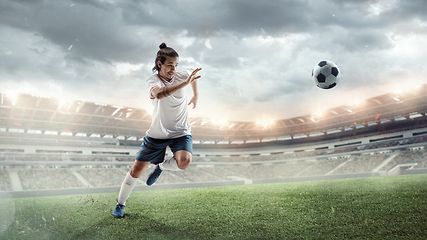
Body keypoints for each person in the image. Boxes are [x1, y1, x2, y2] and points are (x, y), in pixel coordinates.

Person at [112, 42, 202, 218]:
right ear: (159, 64)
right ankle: (120, 205)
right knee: (136, 171)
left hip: (181, 131)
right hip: (158, 134)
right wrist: (185, 83)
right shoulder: (153, 80)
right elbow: (159, 94)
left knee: (184, 161)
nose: (174, 69)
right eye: (170, 65)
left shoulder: (182, 74)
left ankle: (161, 166)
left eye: (176, 65)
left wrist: (195, 94)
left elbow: (192, 75)